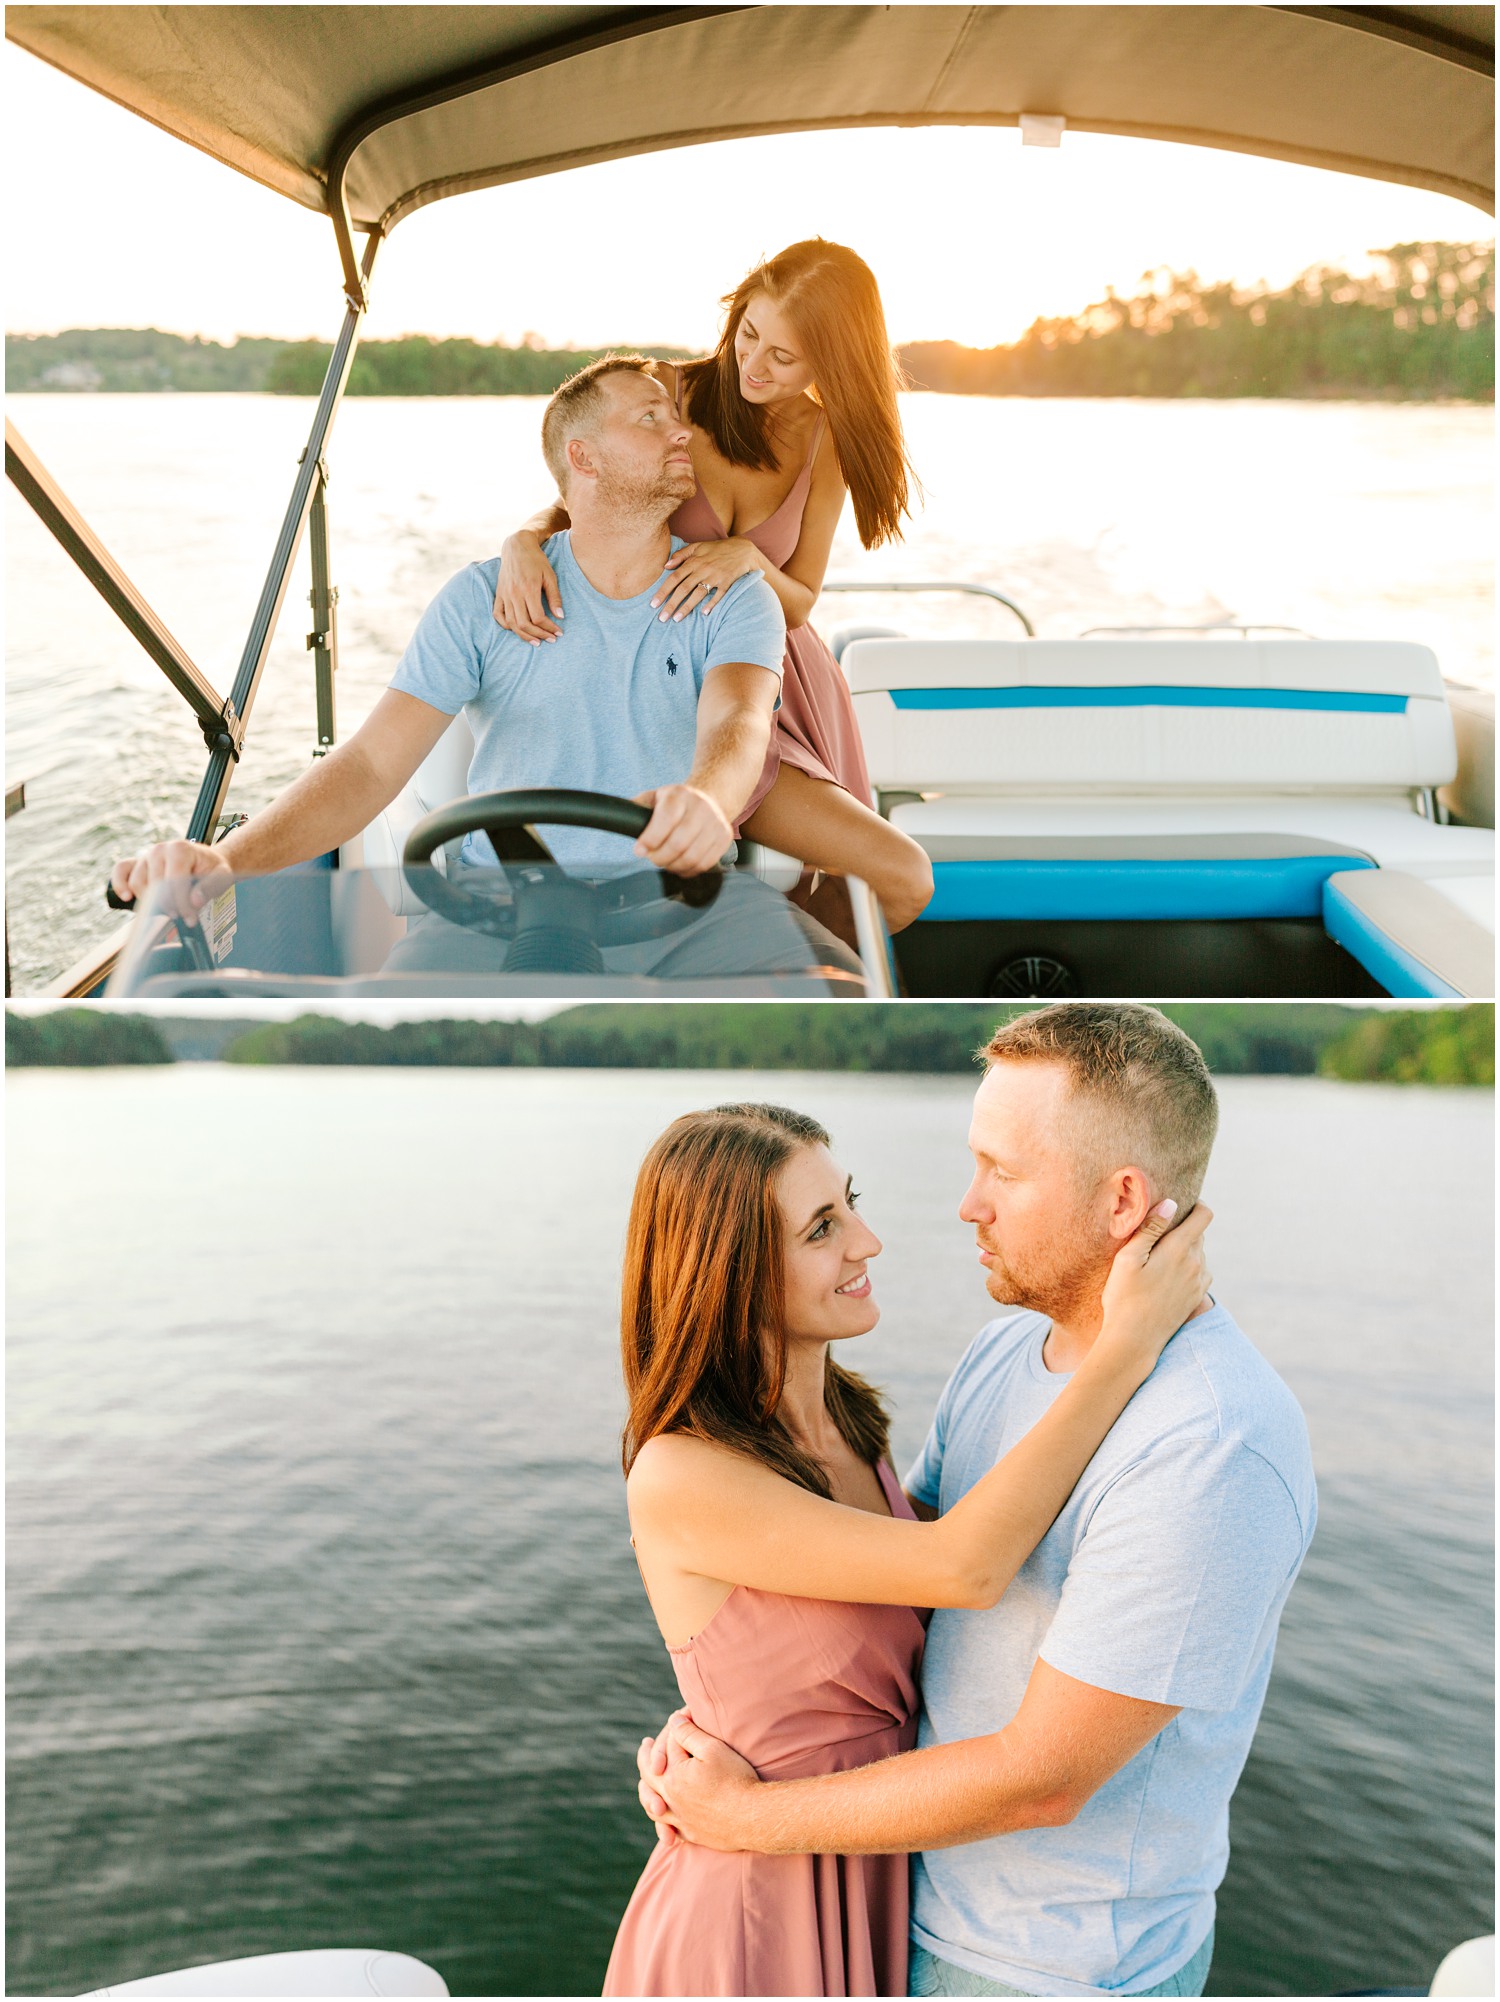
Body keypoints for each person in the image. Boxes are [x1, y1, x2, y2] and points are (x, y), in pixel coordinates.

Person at [636, 1005, 1317, 1999]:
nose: (965, 1205)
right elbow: (901, 1567)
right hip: (893, 1903)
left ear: (1123, 1198)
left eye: (1003, 1169)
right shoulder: (1005, 1353)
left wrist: (747, 1811)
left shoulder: (1210, 1440)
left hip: (1047, 1968)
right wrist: (741, 1701)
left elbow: (1042, 1775)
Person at [107, 357, 852, 979]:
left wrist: (706, 801)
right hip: (494, 909)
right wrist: (224, 859)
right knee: (383, 1060)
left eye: (674, 415)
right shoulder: (476, 601)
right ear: (583, 458)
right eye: (650, 418)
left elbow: (740, 720)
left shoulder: (734, 596)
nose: (682, 430)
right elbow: (369, 765)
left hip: (679, 914)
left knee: (842, 990)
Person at [491, 239, 935, 943]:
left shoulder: (825, 441)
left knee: (900, 878)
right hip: (660, 683)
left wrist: (744, 560)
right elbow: (581, 501)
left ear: (833, 362)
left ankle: (784, 974)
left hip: (777, 688)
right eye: (748, 334)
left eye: (782, 357)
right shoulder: (664, 393)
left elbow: (803, 601)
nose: (752, 366)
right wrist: (521, 541)